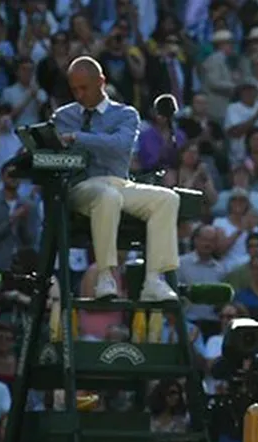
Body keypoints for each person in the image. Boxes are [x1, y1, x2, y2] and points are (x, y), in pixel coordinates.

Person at [51, 56, 179, 303]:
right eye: (74, 89)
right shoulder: (63, 116)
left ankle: (153, 281)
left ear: (101, 82)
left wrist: (78, 138)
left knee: (168, 198)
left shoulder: (126, 114)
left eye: (84, 88)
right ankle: (105, 276)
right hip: (81, 187)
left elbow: (120, 147)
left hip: (120, 183)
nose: (78, 95)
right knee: (107, 196)